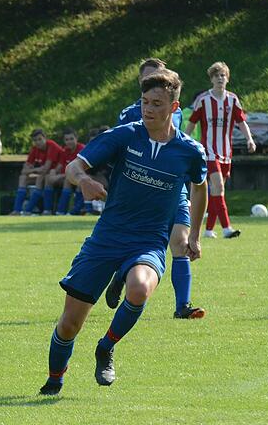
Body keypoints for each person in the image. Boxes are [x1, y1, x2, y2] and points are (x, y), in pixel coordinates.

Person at [38, 69, 207, 396]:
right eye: (145, 101)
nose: (148, 109)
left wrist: (195, 235)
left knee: (140, 288)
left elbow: (200, 190)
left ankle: (107, 346)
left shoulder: (190, 152)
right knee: (69, 323)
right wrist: (84, 180)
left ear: (175, 107)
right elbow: (74, 167)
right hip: (106, 239)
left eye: (157, 103)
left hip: (148, 241)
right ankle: (55, 378)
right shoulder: (125, 136)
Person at [106, 58, 206, 319]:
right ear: (141, 83)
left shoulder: (176, 112)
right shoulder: (129, 114)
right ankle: (121, 274)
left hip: (174, 190)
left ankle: (182, 307)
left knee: (181, 243)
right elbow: (116, 152)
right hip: (140, 195)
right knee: (134, 246)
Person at [185, 61, 256, 239]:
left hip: (226, 152)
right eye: (216, 75)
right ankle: (226, 228)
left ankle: (208, 230)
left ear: (227, 79)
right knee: (218, 186)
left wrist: (249, 139)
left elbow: (241, 122)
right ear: (211, 79)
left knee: (217, 191)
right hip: (209, 152)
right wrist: (184, 141)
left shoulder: (233, 99)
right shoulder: (203, 100)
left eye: (222, 75)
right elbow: (192, 123)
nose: (220, 78)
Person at [10, 128, 62, 215]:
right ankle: (17, 211)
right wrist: (35, 169)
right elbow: (24, 171)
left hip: (57, 175)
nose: (38, 142)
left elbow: (46, 169)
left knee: (41, 177)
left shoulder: (51, 146)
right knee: (23, 178)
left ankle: (33, 210)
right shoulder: (34, 149)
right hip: (44, 175)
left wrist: (32, 170)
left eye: (40, 139)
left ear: (45, 138)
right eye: (35, 140)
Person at [41, 128, 84, 215]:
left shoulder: (82, 149)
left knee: (67, 181)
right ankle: (47, 210)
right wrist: (53, 172)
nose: (69, 142)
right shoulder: (65, 151)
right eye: (66, 140)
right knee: (48, 178)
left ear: (76, 138)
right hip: (65, 176)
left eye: (71, 139)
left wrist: (60, 176)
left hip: (78, 177)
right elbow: (59, 166)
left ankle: (61, 211)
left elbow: (78, 170)